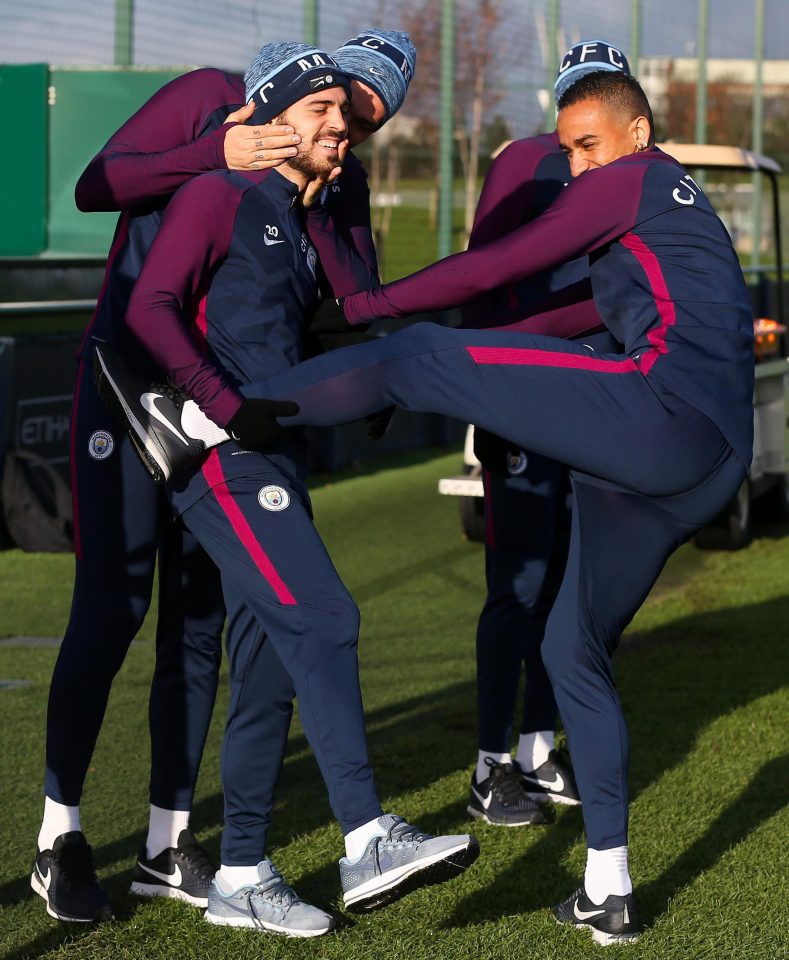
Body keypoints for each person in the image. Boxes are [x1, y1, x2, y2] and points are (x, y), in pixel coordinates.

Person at [106, 71, 752, 945]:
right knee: (572, 651)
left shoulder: (634, 181)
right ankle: (610, 889)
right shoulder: (672, 217)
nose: (577, 164)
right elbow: (557, 323)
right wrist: (408, 342)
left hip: (665, 417)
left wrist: (374, 312)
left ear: (638, 134)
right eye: (566, 150)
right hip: (704, 467)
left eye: (588, 144)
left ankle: (196, 417)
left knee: (421, 359)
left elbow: (501, 265)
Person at [31, 29, 424, 926]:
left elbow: (350, 294)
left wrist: (323, 214)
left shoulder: (339, 175)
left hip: (228, 408)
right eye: (342, 106)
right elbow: (98, 185)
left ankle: (169, 844)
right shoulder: (212, 92)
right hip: (131, 385)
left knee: (199, 622)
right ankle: (60, 835)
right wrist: (221, 149)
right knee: (112, 605)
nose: (348, 131)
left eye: (367, 123)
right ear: (316, 85)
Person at [465, 40, 632, 826]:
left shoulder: (641, 174)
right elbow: (482, 278)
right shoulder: (528, 163)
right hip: (528, 397)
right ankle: (488, 763)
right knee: (520, 584)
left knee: (572, 585)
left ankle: (535, 748)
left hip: (598, 404)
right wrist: (492, 398)